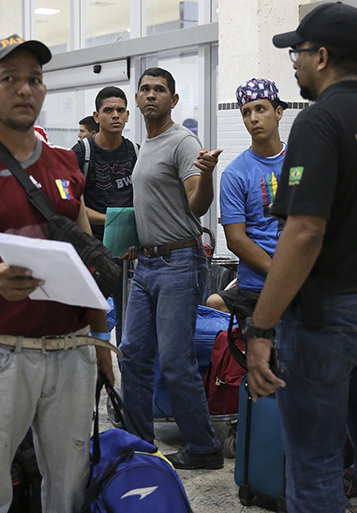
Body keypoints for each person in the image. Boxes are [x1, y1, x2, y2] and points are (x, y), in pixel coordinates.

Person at [0, 34, 115, 512]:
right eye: (10, 79)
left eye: (34, 79)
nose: (26, 89)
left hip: (72, 351)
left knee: (69, 487)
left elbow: (83, 258)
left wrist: (101, 339)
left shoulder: (66, 163)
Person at [247, 4, 357, 512]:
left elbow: (303, 233)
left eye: (298, 54)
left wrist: (262, 329)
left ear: (321, 56)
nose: (295, 64)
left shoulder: (318, 123)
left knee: (315, 463)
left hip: (326, 317)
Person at [118, 67, 223, 470]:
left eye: (159, 90)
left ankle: (204, 447)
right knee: (132, 355)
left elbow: (197, 204)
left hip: (179, 262)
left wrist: (208, 176)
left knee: (176, 363)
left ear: (173, 100)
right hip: (147, 263)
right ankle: (138, 442)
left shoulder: (182, 142)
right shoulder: (146, 145)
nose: (150, 95)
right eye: (144, 89)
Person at [205, 78, 286, 313]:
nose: (253, 118)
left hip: (305, 281)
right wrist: (278, 274)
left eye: (260, 109)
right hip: (258, 289)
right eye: (246, 112)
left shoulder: (302, 162)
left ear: (278, 112)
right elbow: (237, 239)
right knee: (259, 350)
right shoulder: (235, 174)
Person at [72, 86, 137, 241]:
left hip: (127, 240)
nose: (115, 116)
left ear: (127, 115)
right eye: (108, 110)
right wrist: (112, 220)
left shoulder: (136, 152)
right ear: (96, 116)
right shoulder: (81, 152)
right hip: (90, 241)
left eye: (120, 110)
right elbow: (71, 205)